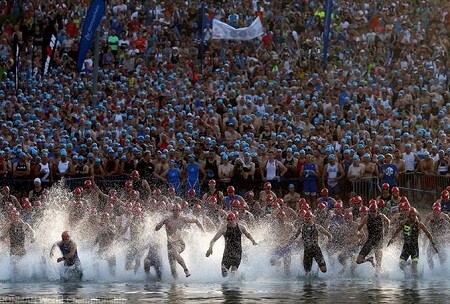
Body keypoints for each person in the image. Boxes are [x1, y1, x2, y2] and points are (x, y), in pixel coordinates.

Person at [155, 204, 204, 278]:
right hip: (170, 245)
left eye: (178, 210)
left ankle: (186, 270)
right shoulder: (167, 219)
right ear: (172, 211)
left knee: (175, 252)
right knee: (173, 270)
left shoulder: (183, 219)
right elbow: (156, 228)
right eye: (174, 210)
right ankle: (176, 286)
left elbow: (196, 221)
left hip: (180, 243)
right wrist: (162, 222)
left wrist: (202, 231)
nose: (176, 212)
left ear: (180, 211)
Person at [388, 207, 437, 277]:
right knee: (401, 265)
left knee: (414, 269)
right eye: (410, 216)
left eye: (413, 216)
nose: (412, 217)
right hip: (406, 248)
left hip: (414, 248)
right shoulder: (403, 223)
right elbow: (396, 231)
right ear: (408, 216)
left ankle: (415, 284)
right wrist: (391, 239)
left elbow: (428, 233)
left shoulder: (419, 224)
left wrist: (433, 244)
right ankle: (409, 264)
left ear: (415, 216)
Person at [206, 212, 258, 277]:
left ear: (235, 219)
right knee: (224, 273)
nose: (230, 221)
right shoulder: (223, 229)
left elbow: (247, 234)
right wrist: (210, 249)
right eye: (228, 220)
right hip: (227, 252)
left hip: (237, 251)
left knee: (233, 272)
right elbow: (213, 240)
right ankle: (229, 284)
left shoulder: (241, 227)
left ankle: (236, 283)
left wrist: (253, 241)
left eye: (231, 219)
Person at [283, 210, 332, 276]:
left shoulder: (317, 227)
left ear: (312, 218)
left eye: (308, 219)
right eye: (305, 219)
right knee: (307, 273)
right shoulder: (301, 227)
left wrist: (329, 240)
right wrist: (289, 242)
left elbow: (329, 235)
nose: (307, 220)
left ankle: (316, 275)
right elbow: (295, 236)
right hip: (307, 251)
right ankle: (310, 279)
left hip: (316, 250)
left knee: (324, 270)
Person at [356, 202, 390, 272]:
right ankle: (369, 259)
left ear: (377, 210)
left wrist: (386, 230)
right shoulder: (366, 218)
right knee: (358, 261)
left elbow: (388, 221)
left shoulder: (381, 216)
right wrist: (359, 233)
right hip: (370, 240)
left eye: (374, 211)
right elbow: (359, 228)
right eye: (371, 211)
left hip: (379, 241)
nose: (372, 213)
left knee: (378, 266)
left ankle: (378, 280)